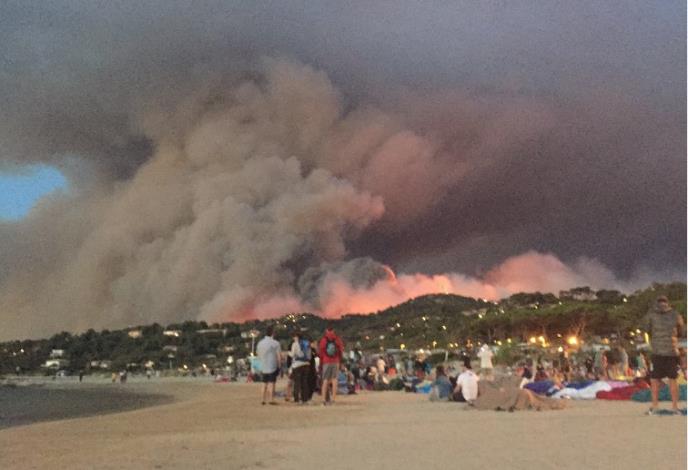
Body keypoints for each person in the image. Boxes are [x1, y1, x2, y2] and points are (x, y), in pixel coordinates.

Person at [643, 296, 685, 415]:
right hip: (671, 351)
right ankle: (675, 407)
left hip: (657, 351)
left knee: (655, 380)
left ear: (657, 304)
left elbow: (647, 329)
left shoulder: (651, 315)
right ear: (668, 303)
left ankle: (655, 406)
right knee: (673, 380)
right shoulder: (675, 315)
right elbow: (682, 331)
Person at [318, 325, 344, 405]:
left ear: (326, 330)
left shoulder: (323, 340)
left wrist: (321, 363)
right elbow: (341, 350)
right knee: (334, 380)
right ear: (333, 330)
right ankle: (333, 399)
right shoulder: (337, 339)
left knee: (325, 380)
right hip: (336, 361)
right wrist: (340, 360)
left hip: (326, 361)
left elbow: (321, 353)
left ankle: (323, 399)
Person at [256, 325, 282, 405]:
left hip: (263, 365)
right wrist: (279, 366)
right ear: (273, 333)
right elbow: (279, 356)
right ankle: (271, 399)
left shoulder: (260, 343)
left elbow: (258, 354)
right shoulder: (275, 343)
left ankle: (263, 399)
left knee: (264, 383)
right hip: (272, 365)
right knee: (272, 383)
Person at [290, 331, 311, 404]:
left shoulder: (295, 344)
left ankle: (296, 399)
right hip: (306, 364)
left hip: (297, 365)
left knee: (297, 383)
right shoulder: (307, 343)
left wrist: (288, 353)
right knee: (304, 382)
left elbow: (293, 354)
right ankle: (305, 399)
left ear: (296, 337)